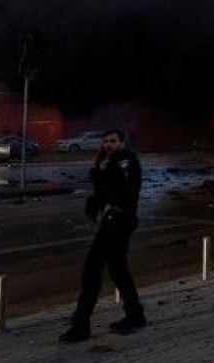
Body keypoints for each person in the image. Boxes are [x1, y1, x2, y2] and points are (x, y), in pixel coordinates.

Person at [59, 129, 147, 343]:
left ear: (121, 142)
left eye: (113, 141)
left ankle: (81, 325)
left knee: (92, 270)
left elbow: (125, 191)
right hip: (114, 220)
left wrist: (104, 174)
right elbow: (101, 191)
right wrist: (98, 172)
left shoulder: (125, 160)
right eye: (105, 141)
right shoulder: (108, 161)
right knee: (118, 270)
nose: (108, 144)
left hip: (118, 221)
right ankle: (135, 314)